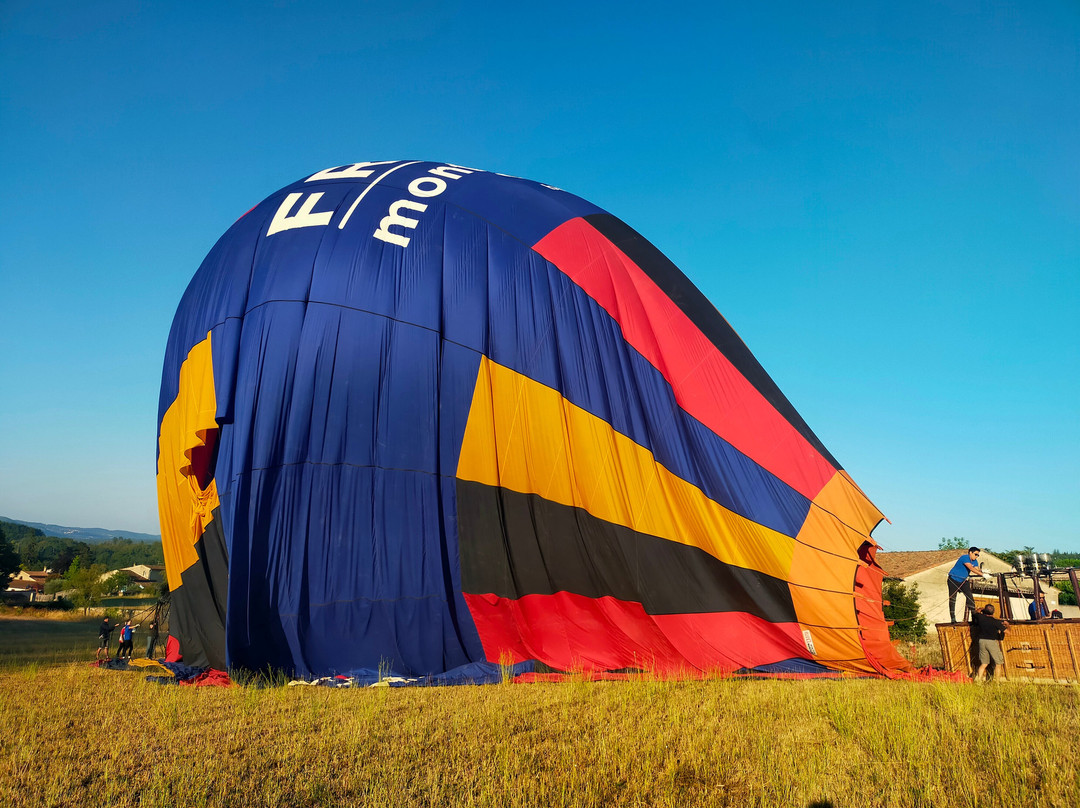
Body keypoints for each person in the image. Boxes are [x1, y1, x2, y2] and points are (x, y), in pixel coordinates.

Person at [971, 603, 1008, 682]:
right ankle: (997, 683)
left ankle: (978, 681)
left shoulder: (980, 618)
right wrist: (1007, 625)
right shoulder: (995, 622)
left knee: (984, 663)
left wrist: (981, 609)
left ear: (985, 611)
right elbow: (1007, 632)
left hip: (981, 641)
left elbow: (976, 612)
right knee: (998, 663)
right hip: (991, 642)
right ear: (993, 612)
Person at [947, 547, 983, 623]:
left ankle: (974, 619)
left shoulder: (975, 561)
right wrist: (982, 574)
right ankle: (953, 618)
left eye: (978, 555)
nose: (976, 556)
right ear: (970, 552)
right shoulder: (965, 557)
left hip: (963, 581)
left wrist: (984, 572)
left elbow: (977, 569)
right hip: (953, 579)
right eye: (975, 554)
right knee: (953, 599)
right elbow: (971, 568)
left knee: (970, 598)